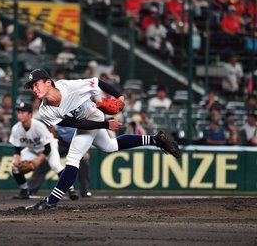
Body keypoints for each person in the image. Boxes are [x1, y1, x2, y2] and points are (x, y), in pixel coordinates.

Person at [23, 69, 181, 210]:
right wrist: (105, 124)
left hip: (93, 114)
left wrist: (119, 96)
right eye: (32, 87)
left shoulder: (70, 87)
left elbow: (98, 82)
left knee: (73, 158)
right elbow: (75, 123)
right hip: (90, 121)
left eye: (36, 84)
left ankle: (51, 201)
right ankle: (155, 140)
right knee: (110, 146)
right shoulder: (44, 111)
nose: (34, 89)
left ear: (48, 82)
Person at [9, 102, 78, 200]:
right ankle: (25, 191)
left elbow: (47, 149)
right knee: (14, 167)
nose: (20, 114)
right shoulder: (16, 129)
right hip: (32, 149)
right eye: (19, 112)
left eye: (23, 112)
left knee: (55, 165)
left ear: (30, 114)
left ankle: (70, 189)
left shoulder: (38, 126)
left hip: (49, 146)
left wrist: (36, 162)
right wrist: (16, 160)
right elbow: (17, 150)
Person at [28, 124, 92, 198]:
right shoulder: (57, 115)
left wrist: (85, 149)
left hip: (77, 142)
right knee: (46, 161)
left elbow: (86, 133)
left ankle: (85, 191)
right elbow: (51, 131)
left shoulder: (77, 115)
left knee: (84, 163)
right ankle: (31, 189)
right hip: (62, 141)